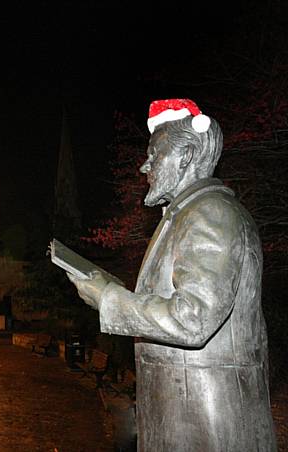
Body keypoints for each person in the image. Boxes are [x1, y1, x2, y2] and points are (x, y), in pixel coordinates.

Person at [69, 99, 276, 451]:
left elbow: (193, 319)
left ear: (187, 155)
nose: (145, 166)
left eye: (154, 154)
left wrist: (110, 300)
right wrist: (117, 291)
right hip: (186, 415)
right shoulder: (186, 214)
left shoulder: (210, 212)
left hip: (205, 423)